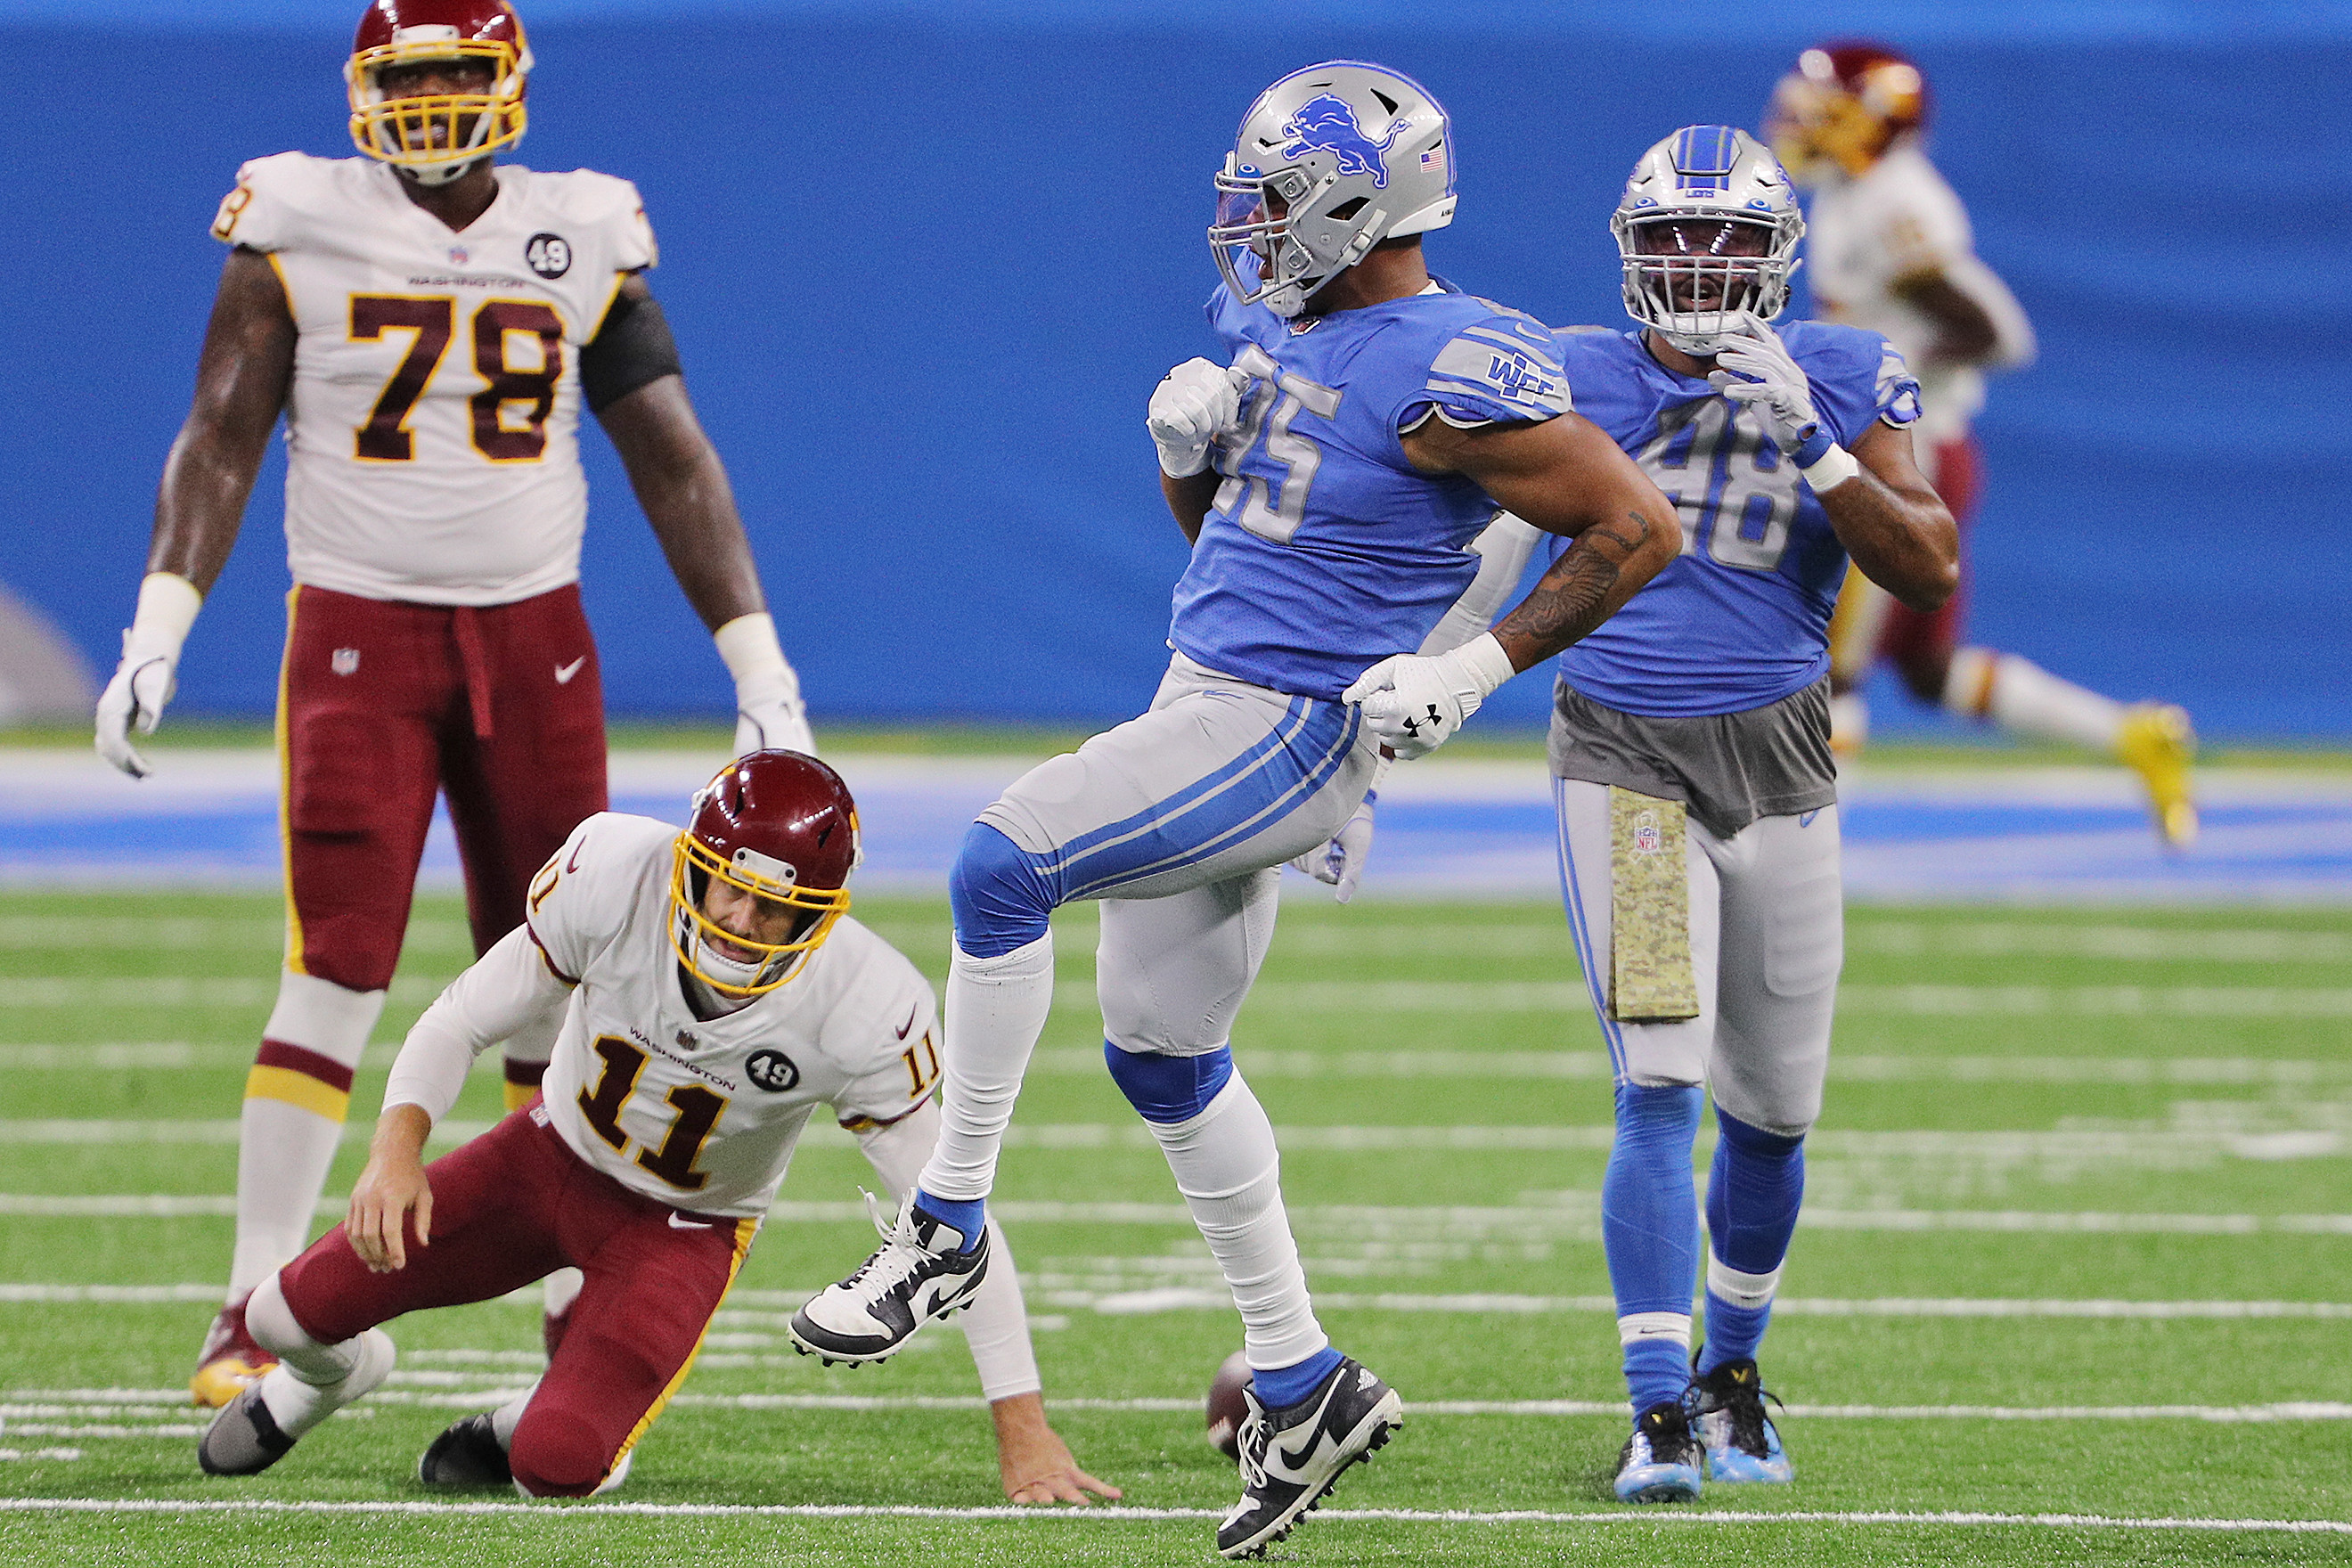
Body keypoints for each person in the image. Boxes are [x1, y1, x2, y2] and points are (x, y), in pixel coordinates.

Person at [787, 61, 1680, 1559]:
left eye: (1274, 199)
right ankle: (1303, 1377)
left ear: (1356, 202)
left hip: (1281, 726)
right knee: (1161, 1057)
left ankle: (942, 1226)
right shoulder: (1295, 325)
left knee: (1000, 861)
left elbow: (1634, 525)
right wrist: (1185, 467)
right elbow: (1240, 563)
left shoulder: (1454, 362)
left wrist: (1472, 668)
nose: (1249, 229)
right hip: (1208, 695)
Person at [88, 0, 814, 1407]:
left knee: (568, 978)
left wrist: (760, 665)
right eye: (405, 78)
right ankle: (250, 1305)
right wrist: (157, 624)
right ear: (365, 90)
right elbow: (224, 429)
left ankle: (566, 1299)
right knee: (333, 970)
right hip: (357, 633)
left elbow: (670, 456)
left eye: (454, 73)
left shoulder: (583, 225)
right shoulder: (299, 213)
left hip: (536, 641)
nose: (429, 103)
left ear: (511, 81)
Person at [1448, 126, 1956, 1500]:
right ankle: (1658, 1405)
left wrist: (1819, 444)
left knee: (1778, 1113)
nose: (1698, 261)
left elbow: (1926, 567)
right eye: (1672, 235)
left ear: (1778, 251)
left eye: (1728, 236)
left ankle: (1734, 1374)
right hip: (1628, 762)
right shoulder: (1566, 369)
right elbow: (1472, 528)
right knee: (1662, 1083)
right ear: (1630, 249)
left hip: (1785, 760)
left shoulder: (1844, 370)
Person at [195, 751, 1115, 1505]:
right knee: (282, 1313)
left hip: (685, 1231)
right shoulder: (615, 873)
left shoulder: (865, 1003)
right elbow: (461, 1017)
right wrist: (396, 1151)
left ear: (820, 913)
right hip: (545, 1157)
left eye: (776, 907)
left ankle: (535, 1421)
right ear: (688, 864)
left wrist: (1023, 1428)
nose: (743, 924)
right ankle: (329, 1380)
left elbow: (949, 1222)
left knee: (555, 1465)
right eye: (726, 890)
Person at [1765, 41, 2196, 849]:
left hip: (1905, 453)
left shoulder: (1895, 201)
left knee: (1832, 664)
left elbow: (1995, 329)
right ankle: (2135, 736)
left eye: (1831, 107)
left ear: (1876, 116)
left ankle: (1805, 854)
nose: (1810, 121)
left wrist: (1888, 371)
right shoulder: (1857, 191)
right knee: (1929, 675)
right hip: (1918, 448)